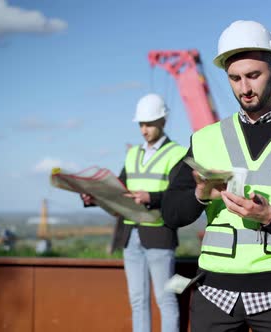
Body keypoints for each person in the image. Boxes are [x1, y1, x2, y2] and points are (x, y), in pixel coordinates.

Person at [162, 20, 271, 331]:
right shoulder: (204, 140)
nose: (244, 88)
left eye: (253, 76)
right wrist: (200, 195)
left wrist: (269, 215)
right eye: (235, 78)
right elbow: (171, 213)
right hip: (213, 293)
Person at [81, 93, 186, 332]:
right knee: (138, 300)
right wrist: (93, 198)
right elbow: (118, 189)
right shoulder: (132, 154)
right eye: (141, 124)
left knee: (166, 299)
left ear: (163, 121)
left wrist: (152, 198)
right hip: (130, 235)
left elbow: (180, 196)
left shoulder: (176, 154)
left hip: (159, 235)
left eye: (149, 123)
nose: (144, 129)